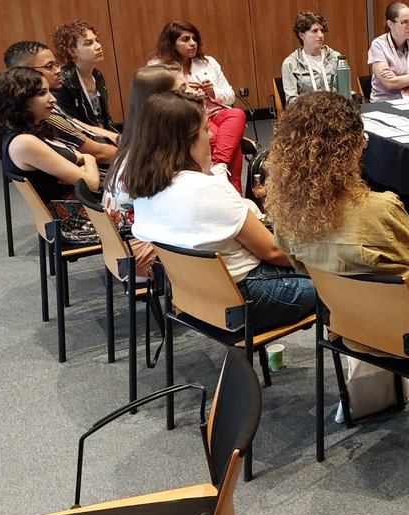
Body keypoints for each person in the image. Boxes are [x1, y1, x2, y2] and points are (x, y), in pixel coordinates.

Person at [265, 91, 409, 387]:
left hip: (351, 331)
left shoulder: (286, 219)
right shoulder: (378, 208)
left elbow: (301, 268)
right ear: (347, 149)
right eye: (362, 141)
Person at [126, 92, 320, 332]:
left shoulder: (143, 190)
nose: (210, 136)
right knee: (342, 278)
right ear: (186, 141)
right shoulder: (206, 188)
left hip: (194, 298)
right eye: (205, 130)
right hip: (248, 298)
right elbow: (273, 251)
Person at [0, 67, 103, 244]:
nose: (53, 99)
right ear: (20, 100)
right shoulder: (25, 142)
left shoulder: (34, 129)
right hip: (77, 220)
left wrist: (79, 167)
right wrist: (89, 159)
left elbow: (78, 164)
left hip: (80, 207)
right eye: (42, 93)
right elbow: (91, 183)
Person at [102, 64, 186, 275]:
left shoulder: (137, 141)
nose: (193, 94)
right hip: (139, 254)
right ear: (162, 102)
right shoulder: (154, 156)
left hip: (123, 247)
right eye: (183, 91)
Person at [149, 20, 246, 191]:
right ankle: (233, 188)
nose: (192, 43)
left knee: (237, 114)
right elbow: (159, 102)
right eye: (185, 39)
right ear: (172, 43)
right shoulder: (159, 67)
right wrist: (184, 90)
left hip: (217, 111)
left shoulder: (208, 62)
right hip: (192, 115)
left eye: (194, 38)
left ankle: (220, 166)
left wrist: (212, 91)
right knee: (228, 142)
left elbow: (230, 95)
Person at [3, 41, 118, 165]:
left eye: (56, 64)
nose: (58, 70)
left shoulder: (43, 104)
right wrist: (137, 153)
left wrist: (123, 139)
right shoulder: (44, 114)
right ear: (26, 74)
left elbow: (86, 127)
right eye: (49, 66)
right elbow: (99, 154)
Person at [51, 20, 114, 131]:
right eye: (88, 43)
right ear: (72, 51)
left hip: (103, 135)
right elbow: (73, 128)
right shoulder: (63, 82)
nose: (98, 46)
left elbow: (105, 119)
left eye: (97, 41)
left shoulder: (97, 75)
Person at [367, 1, 409, 102]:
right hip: (386, 102)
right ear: (390, 24)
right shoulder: (378, 45)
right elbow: (390, 84)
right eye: (404, 22)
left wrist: (399, 79)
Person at [280, 10, 345, 104]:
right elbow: (292, 101)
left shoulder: (335, 57)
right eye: (314, 31)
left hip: (335, 111)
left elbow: (344, 92)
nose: (320, 35)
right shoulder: (291, 63)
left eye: (322, 31)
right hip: (307, 114)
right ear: (301, 35)